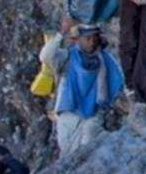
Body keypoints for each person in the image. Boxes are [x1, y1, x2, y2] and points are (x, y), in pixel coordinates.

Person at [39, 23, 124, 156]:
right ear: (79, 39)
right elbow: (46, 55)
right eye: (88, 39)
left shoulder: (105, 60)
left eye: (94, 39)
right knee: (67, 154)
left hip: (93, 114)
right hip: (69, 112)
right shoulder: (67, 57)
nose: (92, 43)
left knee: (87, 150)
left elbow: (118, 81)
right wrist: (61, 34)